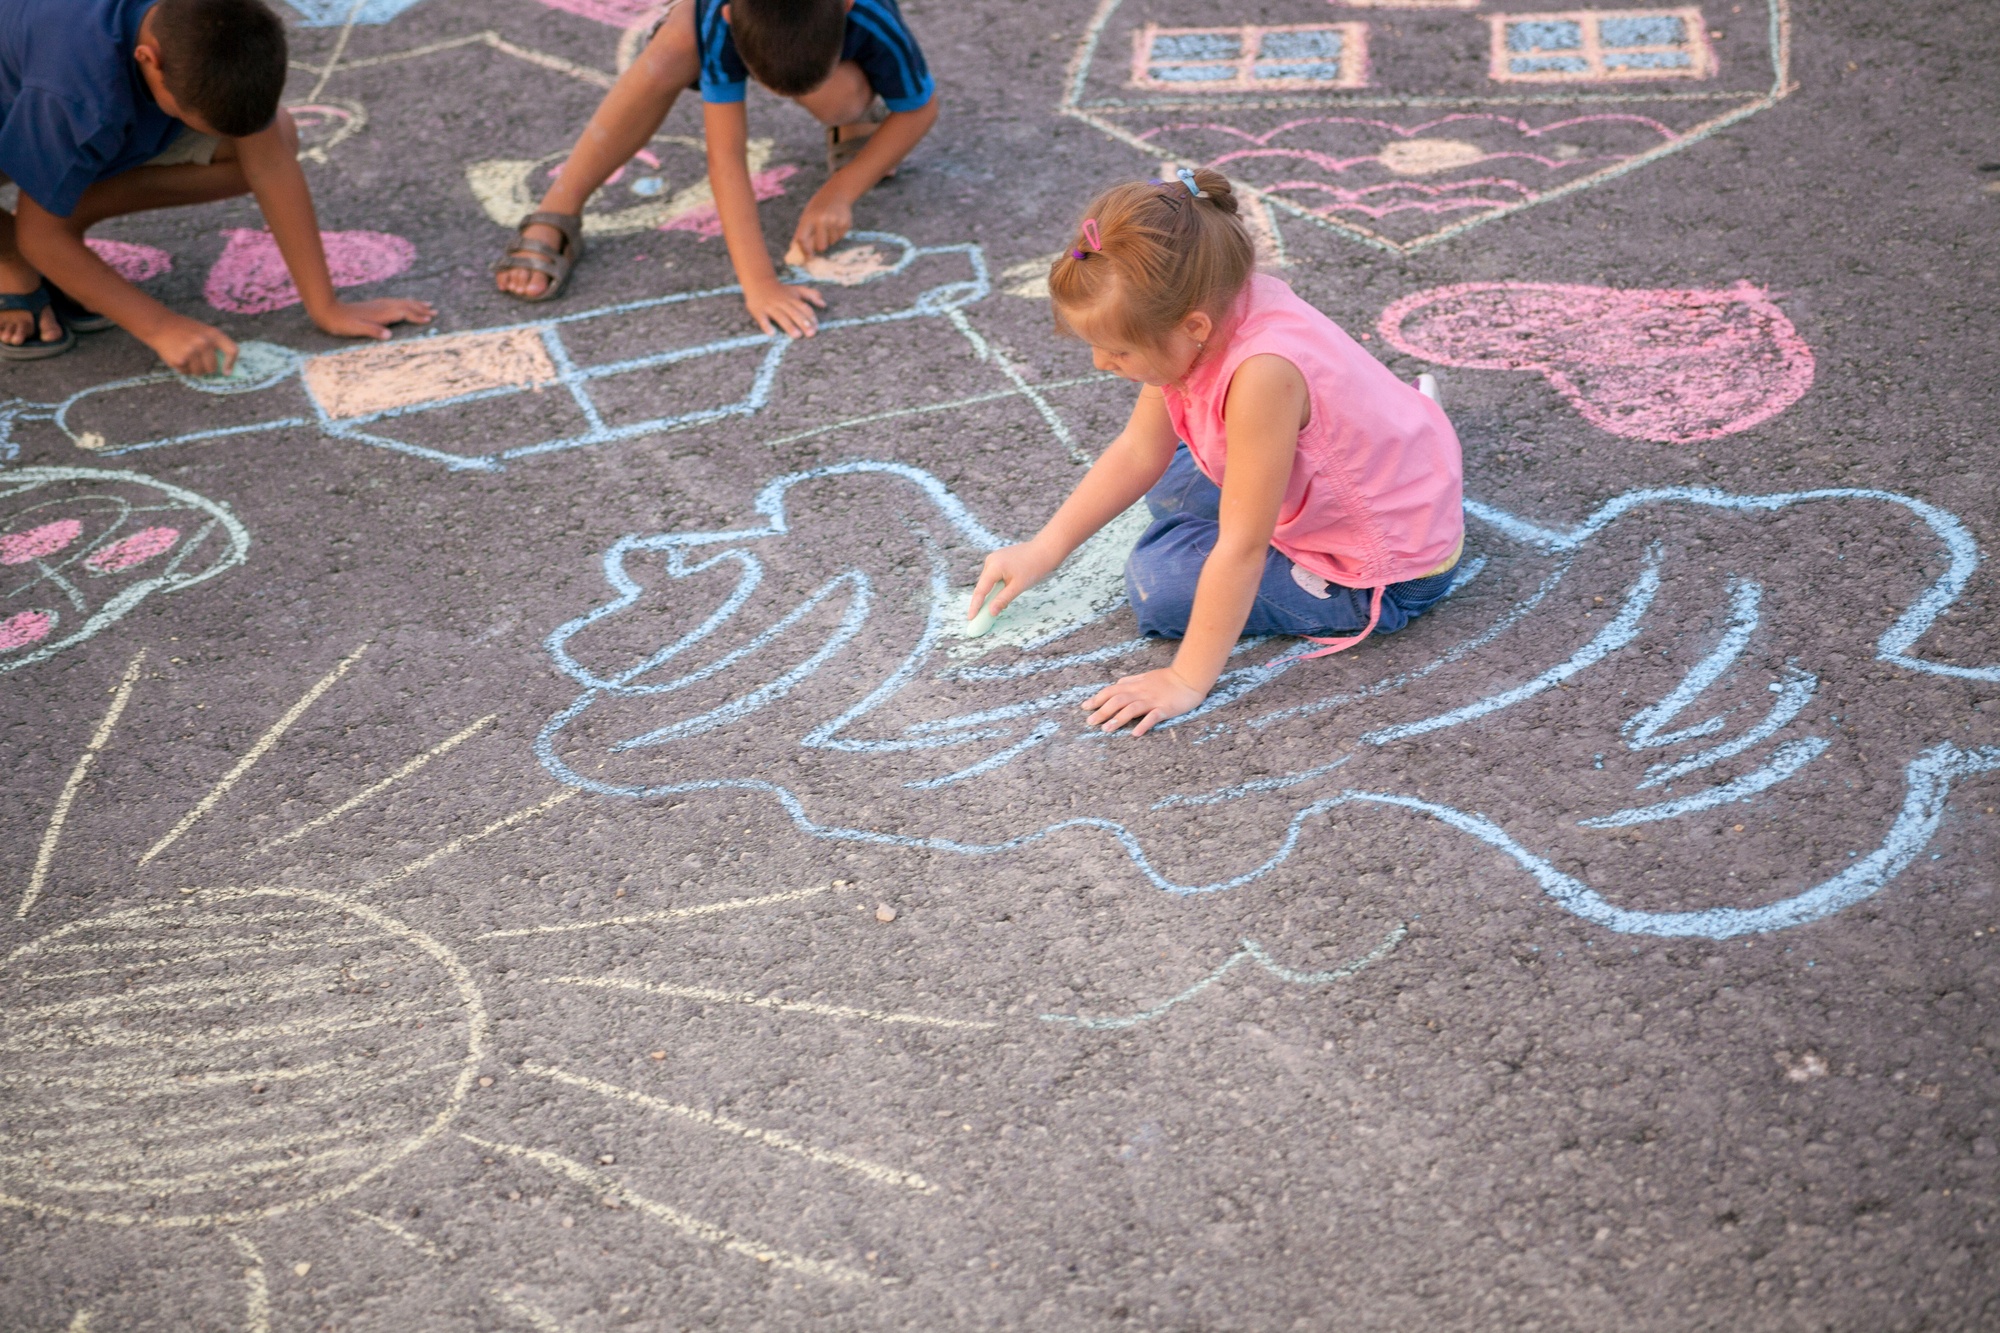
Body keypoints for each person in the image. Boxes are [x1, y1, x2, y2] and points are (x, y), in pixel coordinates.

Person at [969, 168, 1465, 736]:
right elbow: (1138, 451)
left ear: (1193, 326)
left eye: (1117, 351)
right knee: (1173, 483)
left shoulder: (1261, 375)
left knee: (1159, 581)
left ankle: (1317, 573)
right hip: (1383, 470)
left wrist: (1185, 680)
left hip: (1385, 569)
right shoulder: (1211, 299)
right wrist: (1044, 549)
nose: (1101, 365)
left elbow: (1243, 547)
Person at [0, 0, 433, 368]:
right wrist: (162, 327)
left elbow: (269, 164)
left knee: (275, 132)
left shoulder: (210, 21)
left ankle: (67, 213)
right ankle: (8, 256)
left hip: (46, 88)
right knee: (37, 235)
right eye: (189, 113)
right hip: (31, 97)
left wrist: (326, 307)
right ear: (149, 60)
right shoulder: (75, 93)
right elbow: (40, 236)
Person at [493, 0, 936, 338]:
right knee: (674, 50)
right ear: (728, 16)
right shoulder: (716, 19)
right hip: (746, 16)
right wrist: (759, 281)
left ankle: (853, 119)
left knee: (838, 95)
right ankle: (560, 205)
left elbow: (920, 109)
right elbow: (726, 155)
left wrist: (841, 190)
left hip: (811, 21)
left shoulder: (873, 15)